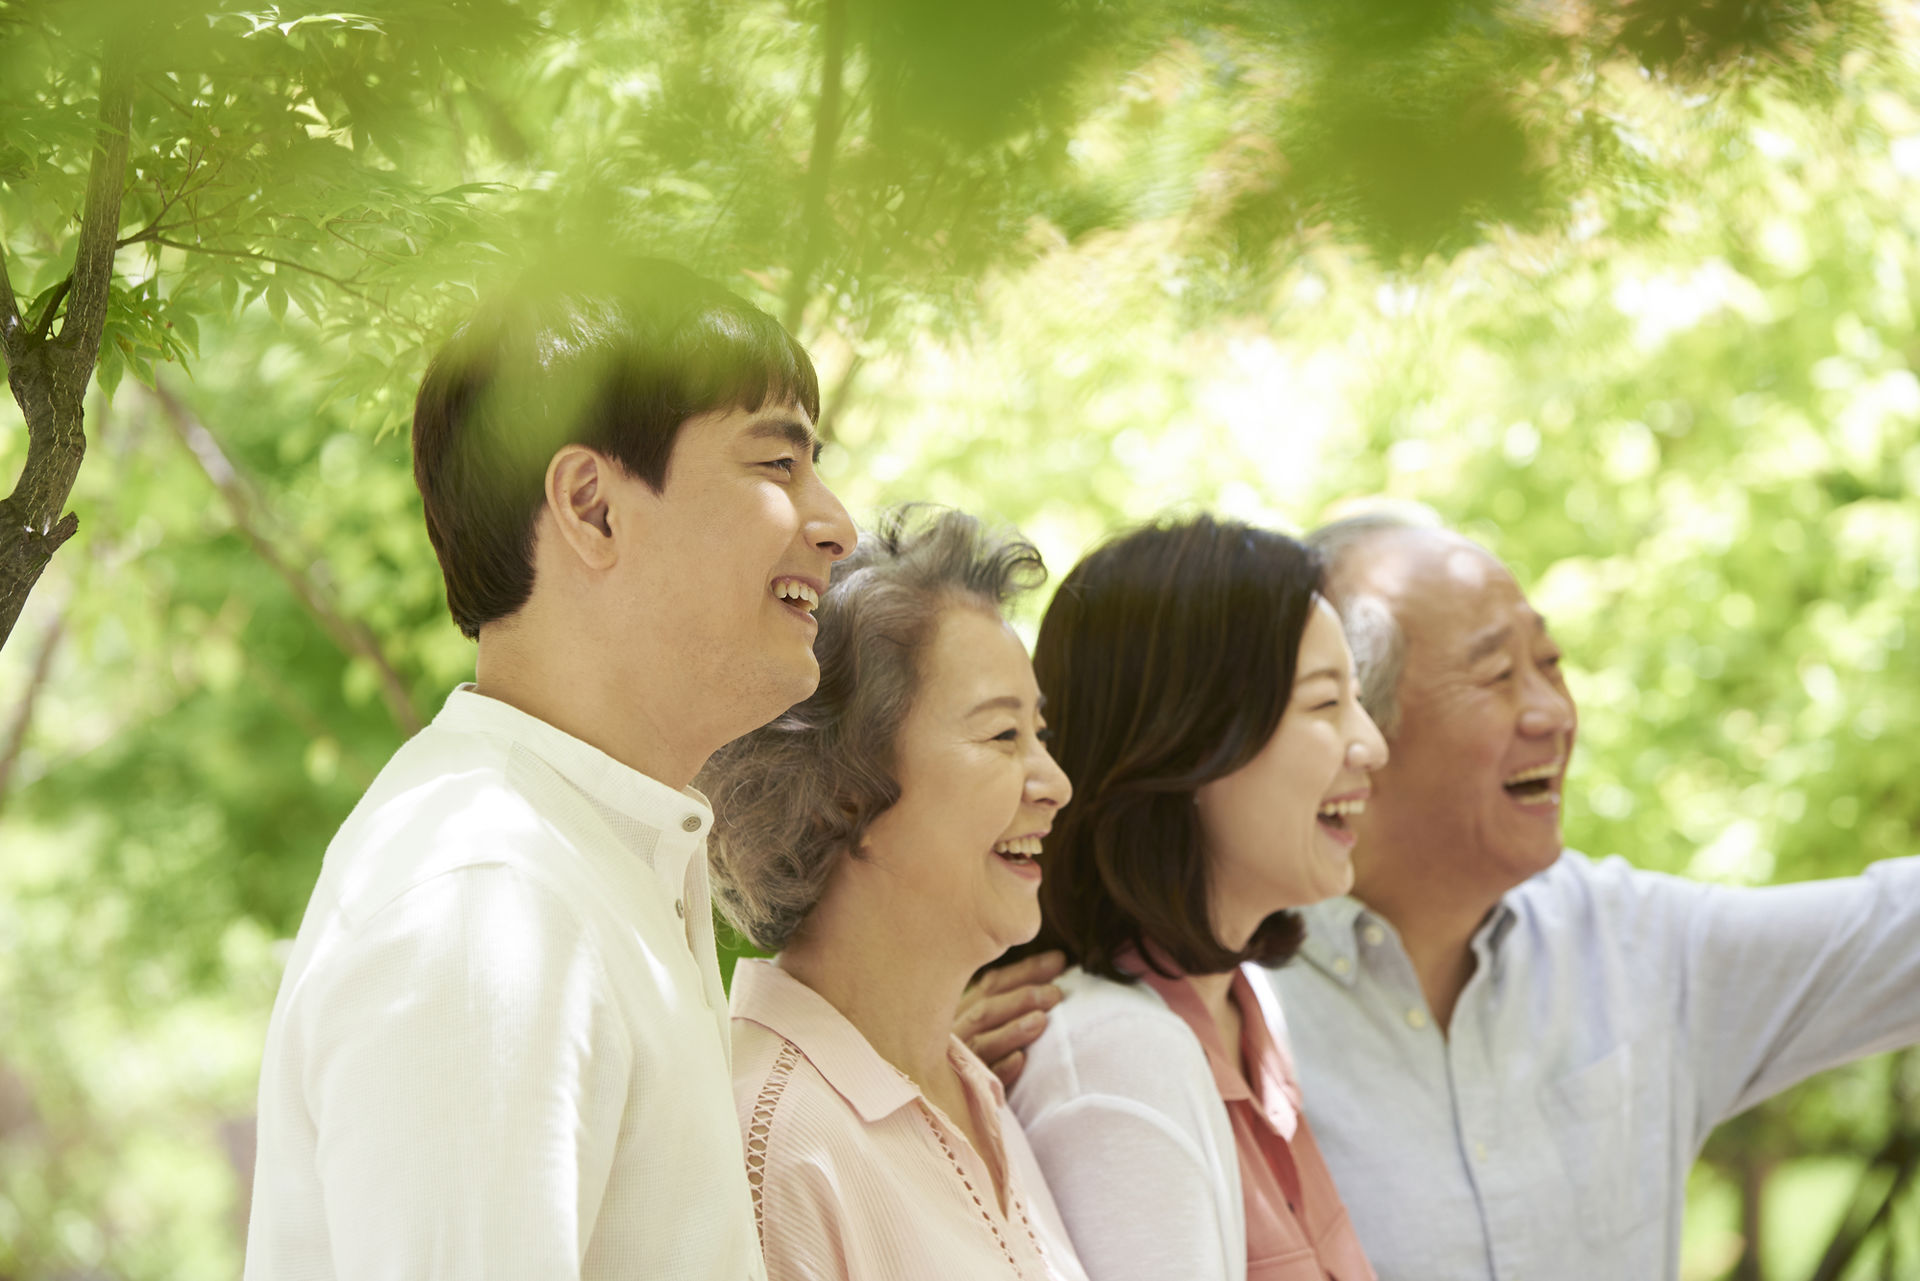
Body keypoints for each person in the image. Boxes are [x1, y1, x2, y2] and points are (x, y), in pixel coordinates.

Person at [973, 508, 1920, 1281]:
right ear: (1207, 741)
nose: (1552, 712)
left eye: (1551, 664)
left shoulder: (1243, 1006)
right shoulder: (1151, 1031)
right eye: (1496, 674)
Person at [244, 260, 856, 1280]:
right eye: (776, 466)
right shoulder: (489, 903)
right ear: (593, 506)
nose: (836, 522)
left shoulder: (591, 861)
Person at [701, 507, 1089, 1281]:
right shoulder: (774, 1148)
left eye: (1039, 735)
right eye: (1003, 736)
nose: (1056, 785)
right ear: (846, 795)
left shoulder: (971, 1084)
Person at [1005, 515, 1388, 1281]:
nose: (1371, 744)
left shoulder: (1244, 1004)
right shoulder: (1117, 1059)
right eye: (1325, 705)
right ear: (1188, 742)